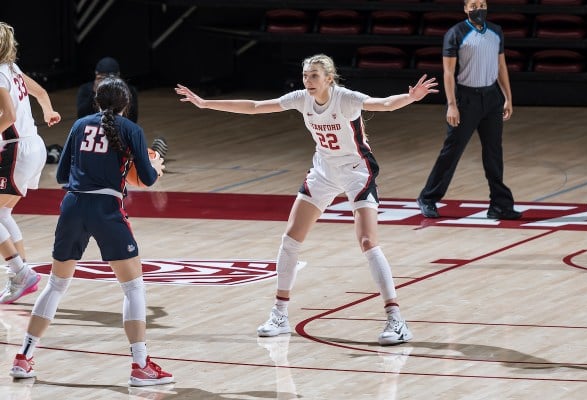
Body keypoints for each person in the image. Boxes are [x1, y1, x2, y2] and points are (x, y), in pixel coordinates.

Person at [175, 54, 438, 345]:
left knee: (367, 241)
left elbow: (384, 104)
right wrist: (205, 102)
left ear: (329, 78)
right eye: (305, 76)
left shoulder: (346, 99)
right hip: (324, 172)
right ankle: (280, 314)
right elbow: (256, 107)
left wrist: (411, 97)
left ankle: (396, 320)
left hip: (355, 172)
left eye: (314, 76)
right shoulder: (302, 99)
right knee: (290, 239)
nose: (308, 81)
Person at [9, 76, 174, 386]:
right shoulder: (131, 130)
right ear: (127, 105)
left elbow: (60, 174)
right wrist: (155, 165)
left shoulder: (79, 125)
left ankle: (23, 357)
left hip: (72, 206)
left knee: (56, 285)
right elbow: (148, 180)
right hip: (106, 210)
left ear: (96, 101)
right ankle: (140, 366)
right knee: (134, 287)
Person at [416, 0, 522, 220]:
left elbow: (501, 66)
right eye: (473, 5)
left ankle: (500, 204)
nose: (478, 8)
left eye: (481, 4)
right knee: (452, 150)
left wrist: (508, 98)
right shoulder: (456, 33)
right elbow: (448, 73)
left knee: (494, 152)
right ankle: (428, 198)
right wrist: (452, 104)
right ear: (465, 8)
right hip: (466, 99)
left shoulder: (496, 31)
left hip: (491, 97)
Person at [0, 22, 61, 304]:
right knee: (2, 214)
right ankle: (19, 275)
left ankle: (21, 272)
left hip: (17, 149)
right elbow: (42, 94)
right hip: (33, 145)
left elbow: (9, 116)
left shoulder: (1, 74)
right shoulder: (12, 69)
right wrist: (48, 111)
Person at [75, 56, 168, 160]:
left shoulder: (127, 90)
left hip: (117, 136)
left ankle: (151, 155)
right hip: (94, 136)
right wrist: (95, 91)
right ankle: (152, 156)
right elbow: (81, 115)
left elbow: (132, 119)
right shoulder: (86, 89)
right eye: (103, 77)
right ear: (96, 75)